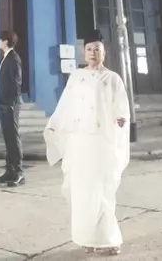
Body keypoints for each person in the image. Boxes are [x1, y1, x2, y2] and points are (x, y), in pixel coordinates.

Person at [44, 36, 130, 256]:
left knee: (102, 190)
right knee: (81, 190)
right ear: (84, 53)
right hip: (80, 140)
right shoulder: (76, 77)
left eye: (97, 49)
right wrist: (54, 124)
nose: (93, 52)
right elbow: (65, 105)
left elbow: (121, 106)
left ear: (104, 53)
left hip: (101, 141)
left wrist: (120, 118)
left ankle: (109, 239)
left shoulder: (112, 78)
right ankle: (86, 237)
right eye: (89, 49)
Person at [0, 30, 24, 186]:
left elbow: (17, 82)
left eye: (0, 39)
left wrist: (12, 102)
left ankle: (18, 172)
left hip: (10, 104)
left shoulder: (14, 58)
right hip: (2, 102)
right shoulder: (4, 58)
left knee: (13, 137)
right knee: (7, 138)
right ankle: (9, 170)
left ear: (6, 41)